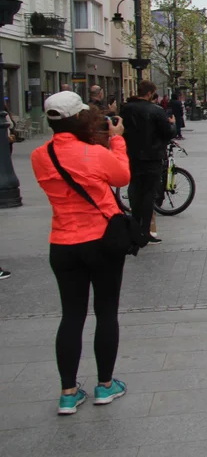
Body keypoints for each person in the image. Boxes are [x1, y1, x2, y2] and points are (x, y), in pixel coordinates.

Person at [31, 91, 131, 415]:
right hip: (101, 241)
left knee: (71, 317)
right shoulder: (93, 153)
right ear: (80, 117)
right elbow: (122, 177)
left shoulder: (39, 156)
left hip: (62, 243)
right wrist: (116, 140)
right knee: (106, 313)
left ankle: (68, 392)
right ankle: (105, 386)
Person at [119, 81, 174, 246]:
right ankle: (145, 231)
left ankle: (134, 229)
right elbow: (168, 132)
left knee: (135, 191)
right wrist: (171, 124)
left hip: (132, 156)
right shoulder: (156, 111)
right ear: (150, 93)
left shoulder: (126, 109)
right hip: (152, 157)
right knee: (149, 194)